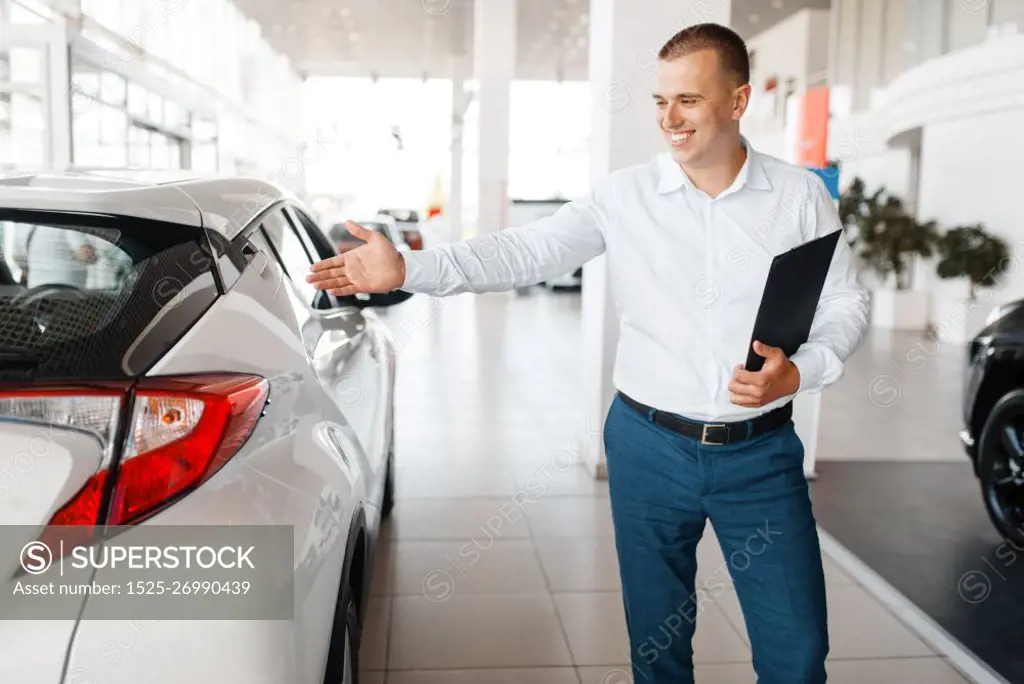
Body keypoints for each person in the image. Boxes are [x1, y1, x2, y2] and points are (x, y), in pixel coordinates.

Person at [307, 23, 868, 684]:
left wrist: (803, 371)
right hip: (649, 448)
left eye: (688, 100)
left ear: (739, 100)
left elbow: (846, 303)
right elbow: (525, 252)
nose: (670, 118)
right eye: (661, 102)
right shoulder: (623, 196)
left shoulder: (800, 196)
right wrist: (411, 271)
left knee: (797, 654)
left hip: (762, 453)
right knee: (658, 651)